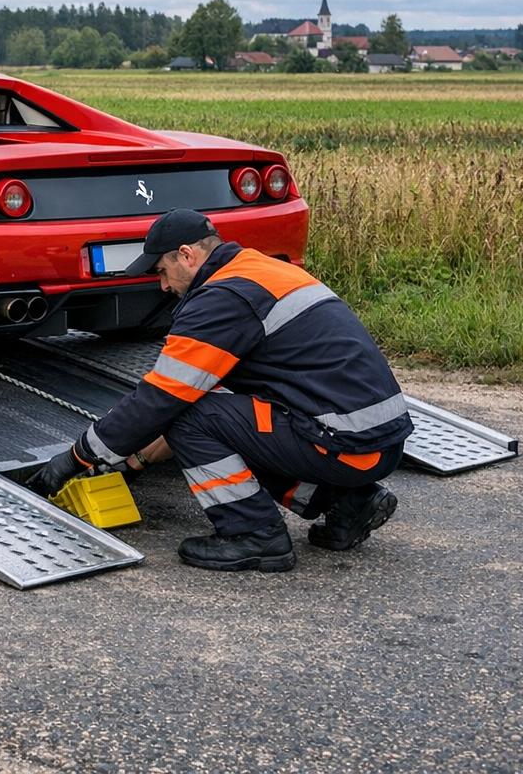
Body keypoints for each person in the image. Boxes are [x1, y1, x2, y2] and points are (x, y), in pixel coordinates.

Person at [26, 209, 412, 572]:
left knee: (194, 417)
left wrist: (76, 458)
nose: (162, 285)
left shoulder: (220, 299)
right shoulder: (258, 269)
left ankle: (253, 533)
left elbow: (162, 399)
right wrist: (135, 462)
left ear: (186, 255)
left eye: (162, 272)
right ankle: (349, 503)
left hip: (344, 446)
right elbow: (193, 398)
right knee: (223, 414)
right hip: (375, 443)